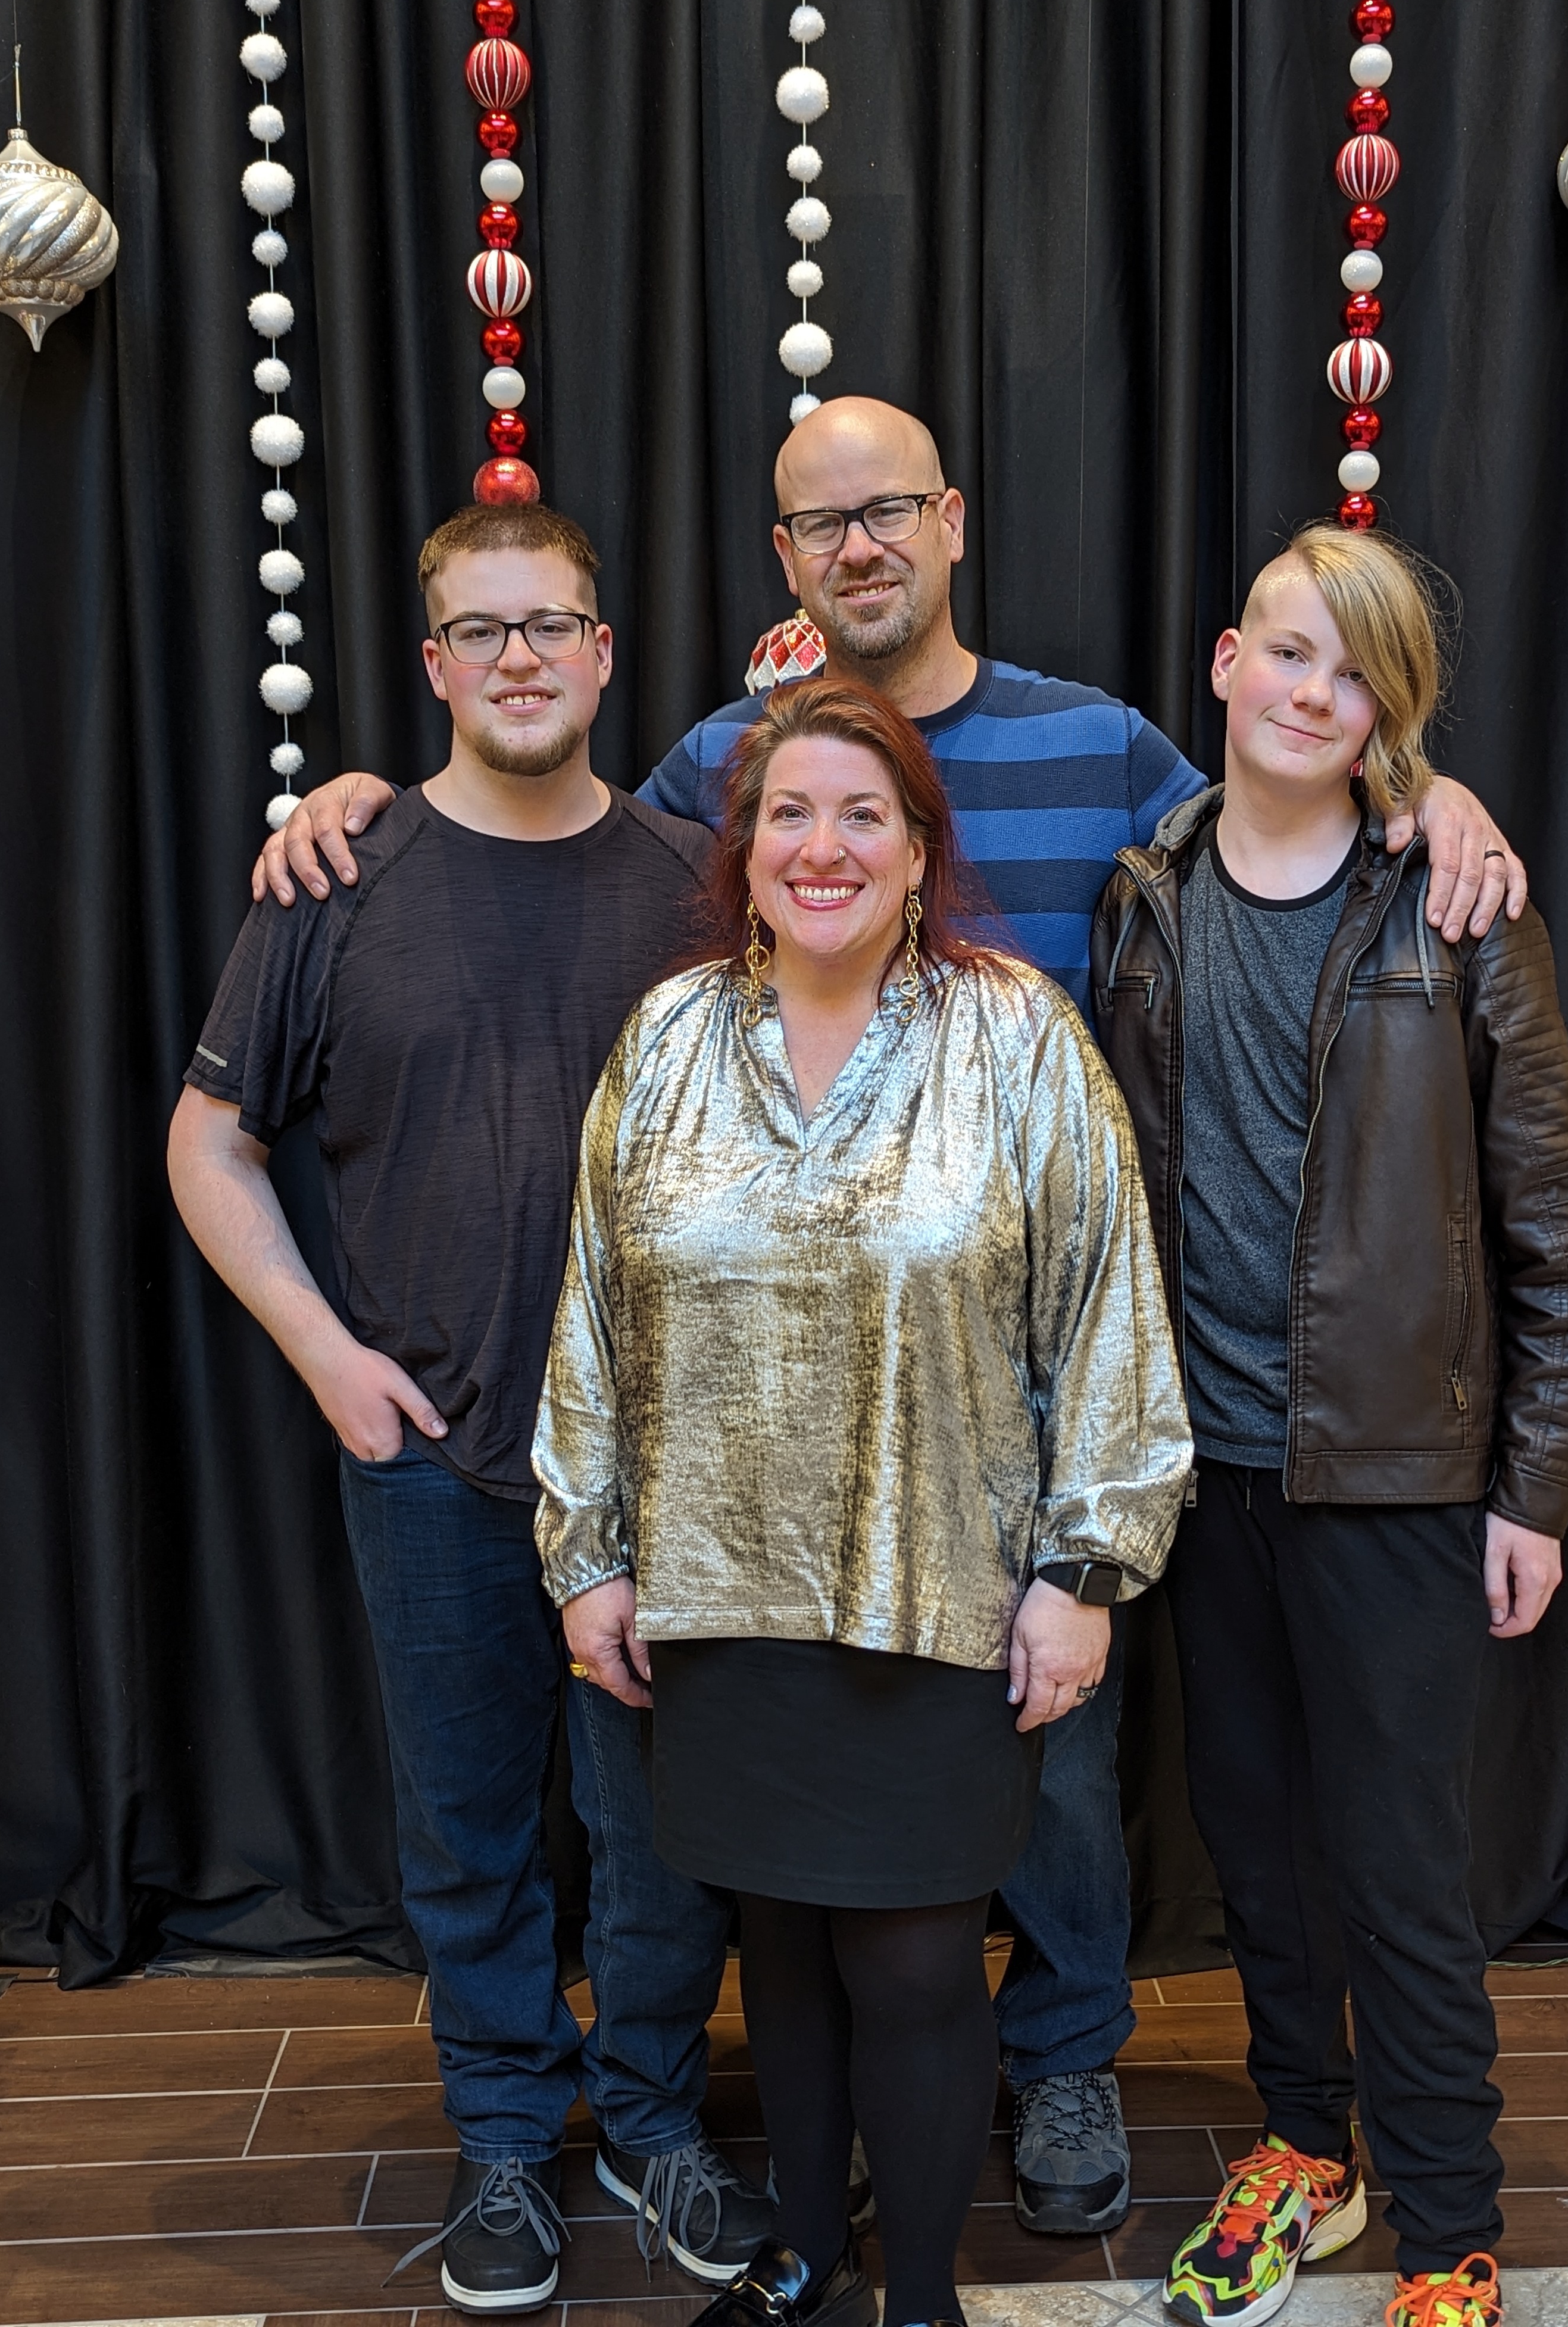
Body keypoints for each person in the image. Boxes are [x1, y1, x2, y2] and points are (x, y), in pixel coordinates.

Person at [251, 397, 1532, 2238]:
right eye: (818, 523)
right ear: (783, 560)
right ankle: (792, 2129)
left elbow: (1288, 800)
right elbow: (540, 817)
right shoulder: (721, 763)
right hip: (775, 1439)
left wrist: (1428, 794)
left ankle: (1067, 2057)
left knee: (1062, 1773)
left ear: (951, 524)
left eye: (889, 512)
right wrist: (360, 800)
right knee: (784, 1826)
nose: (857, 546)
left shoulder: (1102, 746)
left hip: (1035, 1414)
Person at [166, 501, 779, 2316]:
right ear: (435, 663)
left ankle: (650, 2118)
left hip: (668, 1473)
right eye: (484, 630)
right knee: (469, 1829)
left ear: (603, 652)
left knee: (664, 1838)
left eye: (553, 624)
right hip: (431, 1461)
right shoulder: (336, 882)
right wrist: (322, 1353)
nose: (523, 658)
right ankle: (507, 2132)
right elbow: (211, 1141)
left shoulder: (698, 880)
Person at [535, 674, 1195, 2327]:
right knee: (784, 1949)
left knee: (909, 1962)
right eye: (789, 814)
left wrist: (1084, 1574)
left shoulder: (1016, 1036)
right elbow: (593, 1311)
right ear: (744, 850)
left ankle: (920, 2307)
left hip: (942, 1595)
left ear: (918, 851)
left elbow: (1108, 1310)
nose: (821, 847)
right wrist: (586, 1553)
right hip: (720, 1600)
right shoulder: (669, 1040)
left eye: (862, 814)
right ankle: (807, 2261)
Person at [1090, 525, 1568, 2327]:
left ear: (1392, 715)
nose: (1316, 693)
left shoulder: (1459, 909)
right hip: (1209, 1475)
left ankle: (1450, 2231)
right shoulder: (1147, 896)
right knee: (1256, 1849)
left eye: (1360, 672)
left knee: (1399, 1872)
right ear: (1228, 665)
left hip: (1398, 1478)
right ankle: (1306, 2146)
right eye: (1291, 651)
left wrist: (1535, 1490)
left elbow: (1558, 1229)